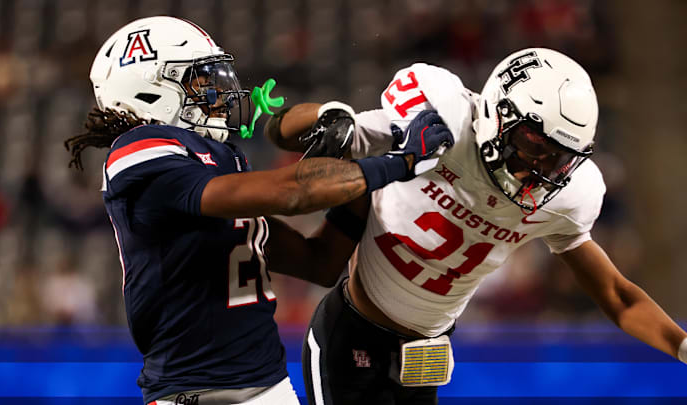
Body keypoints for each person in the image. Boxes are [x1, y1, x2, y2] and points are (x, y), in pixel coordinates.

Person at [63, 16, 452, 405]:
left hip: (270, 386)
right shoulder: (139, 150)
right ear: (149, 89)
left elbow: (319, 262)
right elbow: (293, 192)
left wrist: (356, 166)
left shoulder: (219, 162)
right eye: (200, 80)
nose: (217, 92)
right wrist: (397, 163)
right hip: (194, 393)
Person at [265, 48, 687, 405]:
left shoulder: (568, 196)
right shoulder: (441, 122)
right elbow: (281, 130)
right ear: (497, 111)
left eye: (558, 158)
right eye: (534, 145)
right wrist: (328, 116)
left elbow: (616, 294)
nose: (539, 170)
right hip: (354, 334)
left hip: (428, 353)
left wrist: (682, 346)